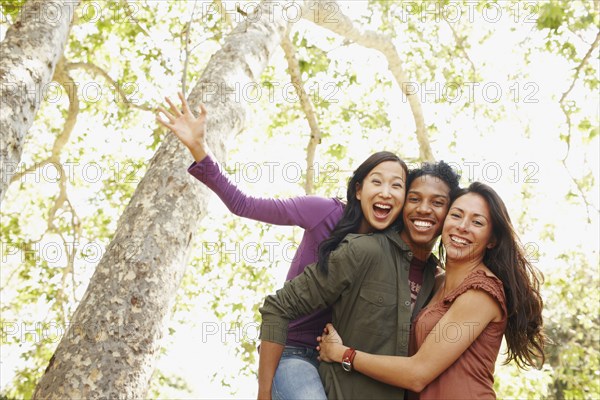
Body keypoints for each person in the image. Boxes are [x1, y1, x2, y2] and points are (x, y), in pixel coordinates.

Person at [156, 93, 410, 399]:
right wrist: (199, 149)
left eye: (397, 185)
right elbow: (244, 204)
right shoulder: (324, 212)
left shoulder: (388, 249)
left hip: (336, 359)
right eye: (376, 182)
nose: (386, 192)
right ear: (358, 190)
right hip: (291, 351)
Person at [317, 182, 546, 399]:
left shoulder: (481, 293)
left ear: (492, 240)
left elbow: (417, 374)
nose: (462, 227)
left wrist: (343, 354)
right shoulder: (435, 281)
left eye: (477, 222)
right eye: (456, 215)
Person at [258, 162, 461, 399]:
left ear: (449, 213)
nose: (424, 209)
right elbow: (277, 307)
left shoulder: (433, 279)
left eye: (437, 203)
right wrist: (265, 392)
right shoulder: (363, 250)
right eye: (414, 199)